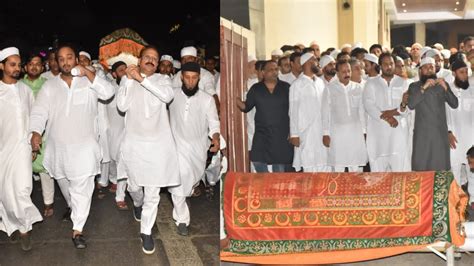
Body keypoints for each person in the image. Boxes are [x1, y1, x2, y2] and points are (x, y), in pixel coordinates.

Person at [29, 43, 114, 249]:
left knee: (82, 190)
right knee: (67, 188)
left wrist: (87, 73)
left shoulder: (90, 82)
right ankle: (74, 210)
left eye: (69, 57)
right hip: (59, 149)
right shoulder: (50, 86)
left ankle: (78, 230)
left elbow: (108, 92)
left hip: (85, 148)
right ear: (57, 62)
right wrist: (36, 132)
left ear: (76, 59)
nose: (66, 62)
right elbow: (40, 112)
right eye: (61, 58)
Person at [116, 46, 180, 254]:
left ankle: (146, 231)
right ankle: (137, 202)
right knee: (134, 188)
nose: (151, 61)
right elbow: (122, 106)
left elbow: (167, 97)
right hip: (134, 145)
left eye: (155, 58)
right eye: (147, 57)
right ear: (140, 59)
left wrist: (141, 80)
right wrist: (128, 79)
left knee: (153, 194)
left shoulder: (163, 80)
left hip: (158, 147)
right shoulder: (129, 79)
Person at [168, 62, 220, 236]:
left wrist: (215, 137)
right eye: (187, 77)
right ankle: (182, 219)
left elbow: (213, 121)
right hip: (176, 145)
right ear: (181, 77)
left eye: (194, 78)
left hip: (198, 148)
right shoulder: (172, 95)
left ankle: (190, 188)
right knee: (179, 182)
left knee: (191, 181)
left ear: (199, 78)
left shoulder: (207, 99)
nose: (190, 81)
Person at [0, 47, 43, 251]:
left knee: (23, 189)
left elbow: (34, 117)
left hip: (23, 148)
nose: (17, 68)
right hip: (2, 150)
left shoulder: (25, 90)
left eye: (18, 64)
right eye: (12, 64)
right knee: (6, 192)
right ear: (2, 66)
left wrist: (34, 140)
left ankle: (25, 228)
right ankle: (11, 224)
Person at [236, 60, 293, 172]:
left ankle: (276, 187)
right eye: (271, 70)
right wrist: (235, 99)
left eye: (276, 69)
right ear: (263, 72)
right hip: (263, 132)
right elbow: (246, 107)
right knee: (257, 160)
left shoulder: (286, 88)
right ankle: (267, 181)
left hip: (281, 133)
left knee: (279, 167)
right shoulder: (256, 89)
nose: (274, 72)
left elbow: (294, 111)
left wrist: (293, 131)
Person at [407, 57, 459, 171]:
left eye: (431, 67)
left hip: (439, 135)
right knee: (421, 169)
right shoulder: (414, 86)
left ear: (435, 69)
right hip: (422, 136)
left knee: (440, 170)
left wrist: (445, 88)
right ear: (420, 71)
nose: (429, 69)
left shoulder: (442, 84)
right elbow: (411, 104)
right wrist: (424, 87)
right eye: (425, 67)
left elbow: (454, 104)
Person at [363, 53, 411, 172]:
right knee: (379, 179)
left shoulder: (403, 83)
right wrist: (388, 118)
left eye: (391, 64)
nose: (389, 67)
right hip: (378, 136)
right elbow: (369, 106)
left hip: (398, 136)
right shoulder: (371, 83)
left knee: (400, 176)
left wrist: (393, 112)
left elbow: (406, 107)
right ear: (380, 66)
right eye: (385, 64)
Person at [22, 53, 55, 217]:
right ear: (25, 67)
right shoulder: (19, 85)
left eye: (38, 64)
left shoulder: (48, 85)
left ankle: (48, 203)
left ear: (43, 67)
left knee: (44, 170)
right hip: (21, 133)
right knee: (22, 170)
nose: (34, 66)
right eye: (31, 63)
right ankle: (24, 204)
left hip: (44, 133)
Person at [322, 60, 367, 172]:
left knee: (356, 167)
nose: (347, 74)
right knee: (338, 167)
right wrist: (325, 133)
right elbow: (325, 112)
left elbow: (362, 111)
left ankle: (357, 190)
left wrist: (364, 131)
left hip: (355, 133)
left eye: (348, 71)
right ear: (337, 73)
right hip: (337, 135)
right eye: (343, 72)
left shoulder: (358, 88)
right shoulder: (329, 88)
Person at [289, 53, 329, 172]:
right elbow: (293, 111)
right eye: (314, 60)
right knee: (309, 165)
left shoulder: (320, 83)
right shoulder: (297, 85)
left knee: (324, 165)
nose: (317, 62)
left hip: (321, 131)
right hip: (306, 132)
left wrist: (327, 131)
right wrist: (294, 134)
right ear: (306, 63)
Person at [104, 61, 129, 210]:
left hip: (128, 132)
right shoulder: (109, 89)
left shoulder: (132, 86)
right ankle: (113, 178)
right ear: (114, 74)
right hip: (111, 131)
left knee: (123, 162)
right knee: (112, 159)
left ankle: (120, 196)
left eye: (126, 70)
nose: (125, 73)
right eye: (121, 71)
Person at [446, 60, 474, 186]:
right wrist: (448, 132)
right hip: (454, 136)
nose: (465, 75)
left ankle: (472, 200)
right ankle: (455, 201)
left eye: (466, 72)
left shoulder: (472, 89)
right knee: (455, 169)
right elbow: (444, 114)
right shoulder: (447, 90)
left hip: (471, 137)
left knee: (471, 170)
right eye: (461, 72)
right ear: (453, 73)